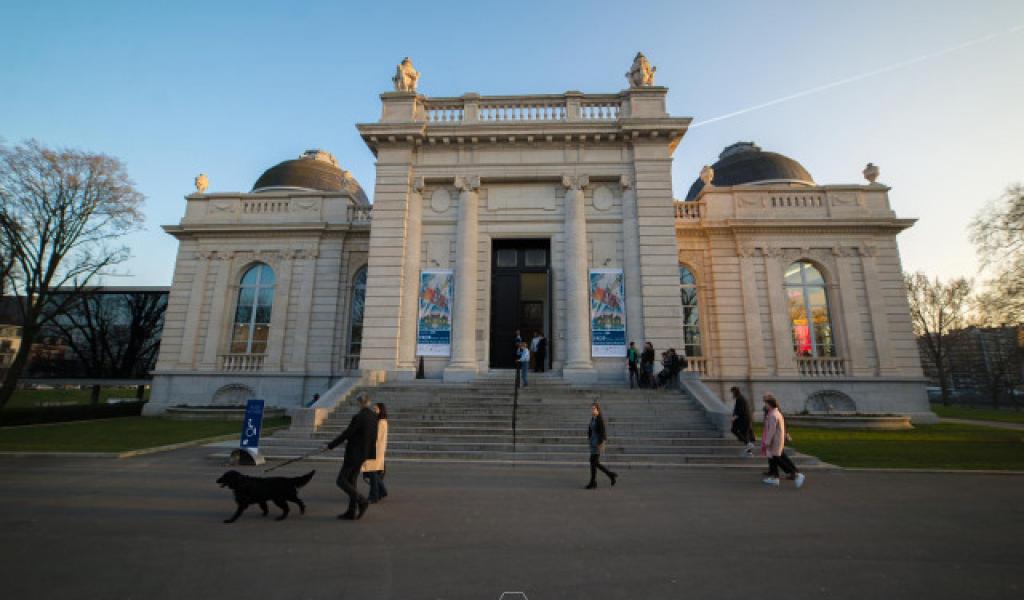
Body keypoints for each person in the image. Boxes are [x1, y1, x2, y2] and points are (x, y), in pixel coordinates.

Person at [323, 393, 379, 519]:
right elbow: (373, 437)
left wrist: (330, 445)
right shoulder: (373, 417)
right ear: (368, 402)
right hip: (364, 454)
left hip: (354, 454)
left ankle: (361, 501)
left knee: (341, 480)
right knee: (352, 481)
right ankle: (351, 511)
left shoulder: (359, 417)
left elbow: (347, 433)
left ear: (360, 403)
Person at [761, 393, 805, 488]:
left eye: (766, 404)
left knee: (777, 459)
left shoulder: (773, 415)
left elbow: (771, 430)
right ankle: (775, 478)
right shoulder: (775, 413)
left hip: (775, 440)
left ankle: (796, 474)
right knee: (773, 458)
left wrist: (767, 442)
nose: (765, 406)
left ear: (770, 404)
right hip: (776, 440)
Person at [361, 403, 389, 503]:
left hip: (375, 450)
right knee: (372, 473)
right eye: (373, 408)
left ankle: (375, 495)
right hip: (376, 450)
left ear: (381, 410)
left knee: (372, 473)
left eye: (376, 409)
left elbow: (377, 438)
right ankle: (380, 492)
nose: (374, 410)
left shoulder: (381, 422)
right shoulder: (380, 421)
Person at [585, 402, 617, 489]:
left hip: (597, 444)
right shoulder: (593, 418)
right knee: (594, 463)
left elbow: (603, 433)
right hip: (592, 443)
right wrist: (589, 438)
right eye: (592, 409)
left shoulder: (599, 419)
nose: (592, 410)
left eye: (594, 409)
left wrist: (601, 444)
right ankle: (606, 477)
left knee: (594, 462)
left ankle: (606, 476)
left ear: (598, 410)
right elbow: (590, 429)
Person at [729, 386, 755, 457]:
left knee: (734, 430)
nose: (732, 394)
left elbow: (740, 410)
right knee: (744, 434)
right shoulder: (741, 398)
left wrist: (734, 417)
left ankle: (748, 444)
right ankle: (749, 452)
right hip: (744, 419)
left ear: (735, 392)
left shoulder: (740, 399)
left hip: (743, 420)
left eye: (732, 392)